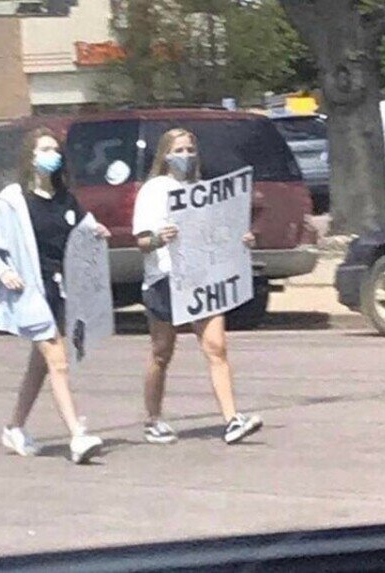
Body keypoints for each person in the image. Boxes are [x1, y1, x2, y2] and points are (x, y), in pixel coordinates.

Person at [0, 127, 110, 464]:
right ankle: (77, 435)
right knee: (58, 360)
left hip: (61, 291)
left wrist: (96, 233)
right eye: (44, 149)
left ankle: (14, 427)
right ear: (30, 157)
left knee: (41, 365)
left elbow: (83, 230)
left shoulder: (66, 199)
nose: (52, 155)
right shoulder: (12, 201)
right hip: (30, 292)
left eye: (55, 149)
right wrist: (3, 271)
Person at [133, 128, 263, 445]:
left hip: (202, 279)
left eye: (190, 149)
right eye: (178, 150)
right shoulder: (154, 190)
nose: (186, 156)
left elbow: (217, 235)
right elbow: (142, 242)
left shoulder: (202, 191)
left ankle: (232, 419)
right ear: (165, 155)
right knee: (162, 352)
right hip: (165, 278)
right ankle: (153, 418)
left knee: (216, 346)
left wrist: (240, 240)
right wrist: (159, 238)